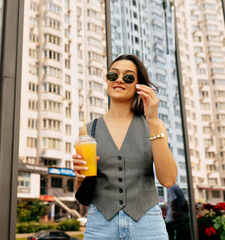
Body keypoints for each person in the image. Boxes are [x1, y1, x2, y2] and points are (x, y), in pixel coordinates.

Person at [72, 54, 177, 239]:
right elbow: (82, 191)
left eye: (128, 77)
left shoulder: (153, 125)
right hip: (100, 225)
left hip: (147, 224)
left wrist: (152, 120)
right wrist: (79, 176)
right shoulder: (88, 130)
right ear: (107, 80)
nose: (119, 80)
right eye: (113, 75)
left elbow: (168, 179)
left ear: (139, 85)